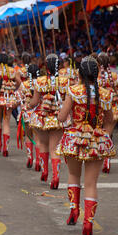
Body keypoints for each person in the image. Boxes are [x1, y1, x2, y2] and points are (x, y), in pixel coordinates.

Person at [56, 56, 115, 235]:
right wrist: (104, 134)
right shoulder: (105, 94)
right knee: (91, 183)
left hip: (75, 139)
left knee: (73, 175)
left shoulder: (73, 91)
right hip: (97, 140)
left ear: (80, 74)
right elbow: (110, 120)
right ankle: (88, 223)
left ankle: (74, 210)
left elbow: (62, 117)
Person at [29, 54, 69, 189]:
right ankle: (56, 176)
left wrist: (27, 105)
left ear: (46, 66)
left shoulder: (39, 81)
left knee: (43, 144)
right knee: (54, 148)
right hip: (58, 117)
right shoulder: (65, 81)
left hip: (42, 117)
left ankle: (45, 171)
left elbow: (34, 102)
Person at [97, 52, 118, 173]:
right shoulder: (114, 76)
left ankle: (99, 156)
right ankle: (107, 160)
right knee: (108, 135)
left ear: (98, 63)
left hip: (98, 109)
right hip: (113, 108)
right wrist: (115, 97)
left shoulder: (95, 76)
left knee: (99, 134)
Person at [16, 63, 40, 169]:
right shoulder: (42, 84)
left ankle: (30, 157)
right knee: (39, 138)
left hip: (27, 113)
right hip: (39, 113)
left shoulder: (24, 84)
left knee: (28, 136)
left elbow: (19, 98)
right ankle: (38, 161)